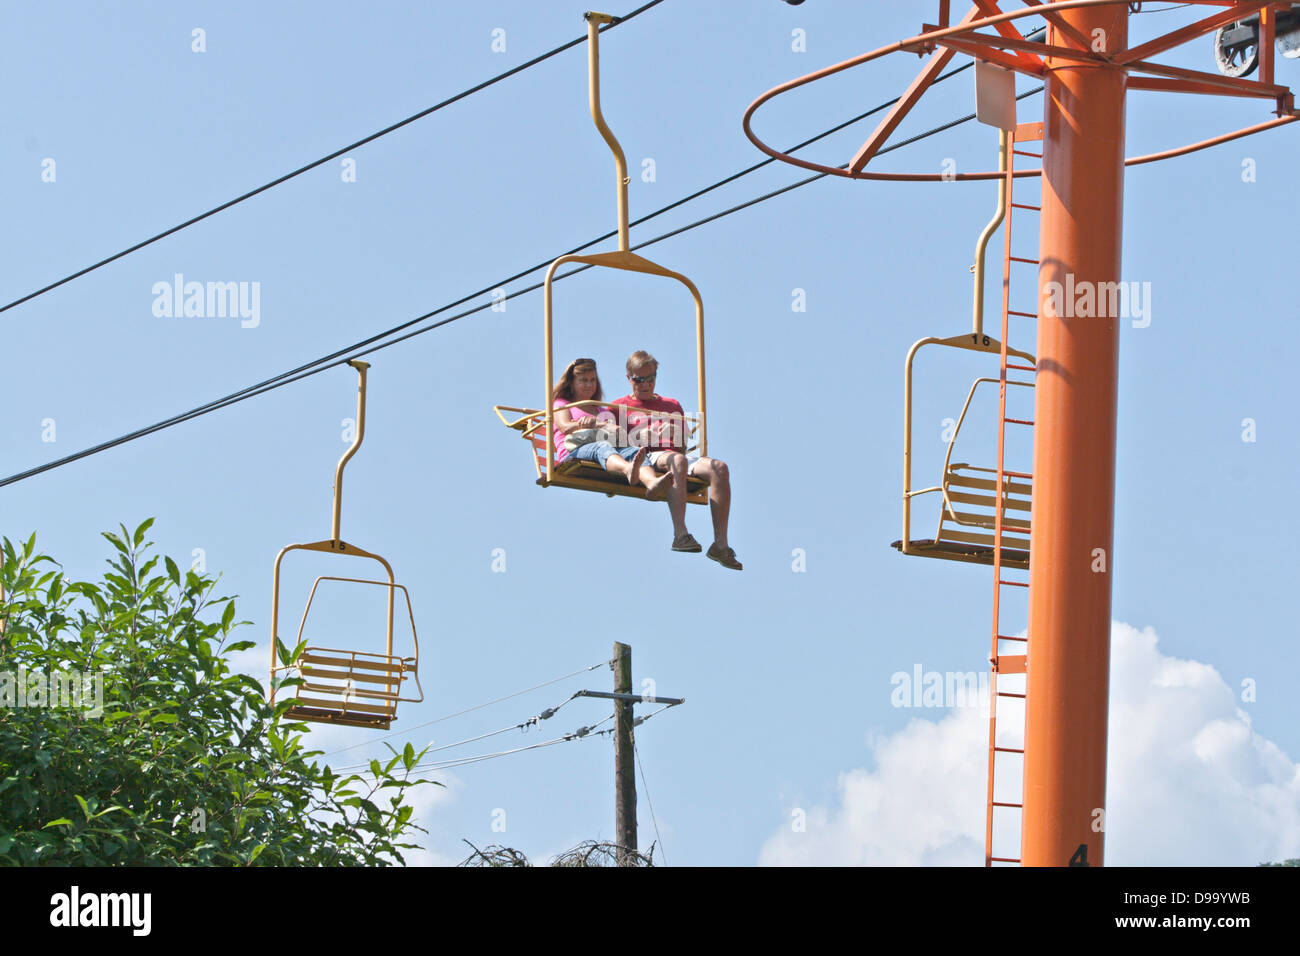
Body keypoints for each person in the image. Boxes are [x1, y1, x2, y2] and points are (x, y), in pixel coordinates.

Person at [611, 350, 741, 570]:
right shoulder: (617, 408)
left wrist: (673, 433)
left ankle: (721, 545)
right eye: (639, 379)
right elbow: (613, 445)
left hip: (672, 453)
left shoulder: (671, 405)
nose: (645, 385)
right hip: (645, 457)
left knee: (719, 468)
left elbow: (680, 447)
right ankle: (680, 534)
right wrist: (647, 436)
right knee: (677, 461)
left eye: (650, 378)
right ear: (628, 378)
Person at [551, 358, 670, 496]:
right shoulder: (563, 403)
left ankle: (651, 482)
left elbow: (617, 438)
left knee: (633, 450)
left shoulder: (601, 411)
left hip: (608, 451)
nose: (589, 385)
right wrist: (590, 424)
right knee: (602, 446)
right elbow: (565, 426)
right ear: (572, 383)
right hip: (574, 451)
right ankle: (627, 469)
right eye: (583, 380)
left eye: (592, 380)